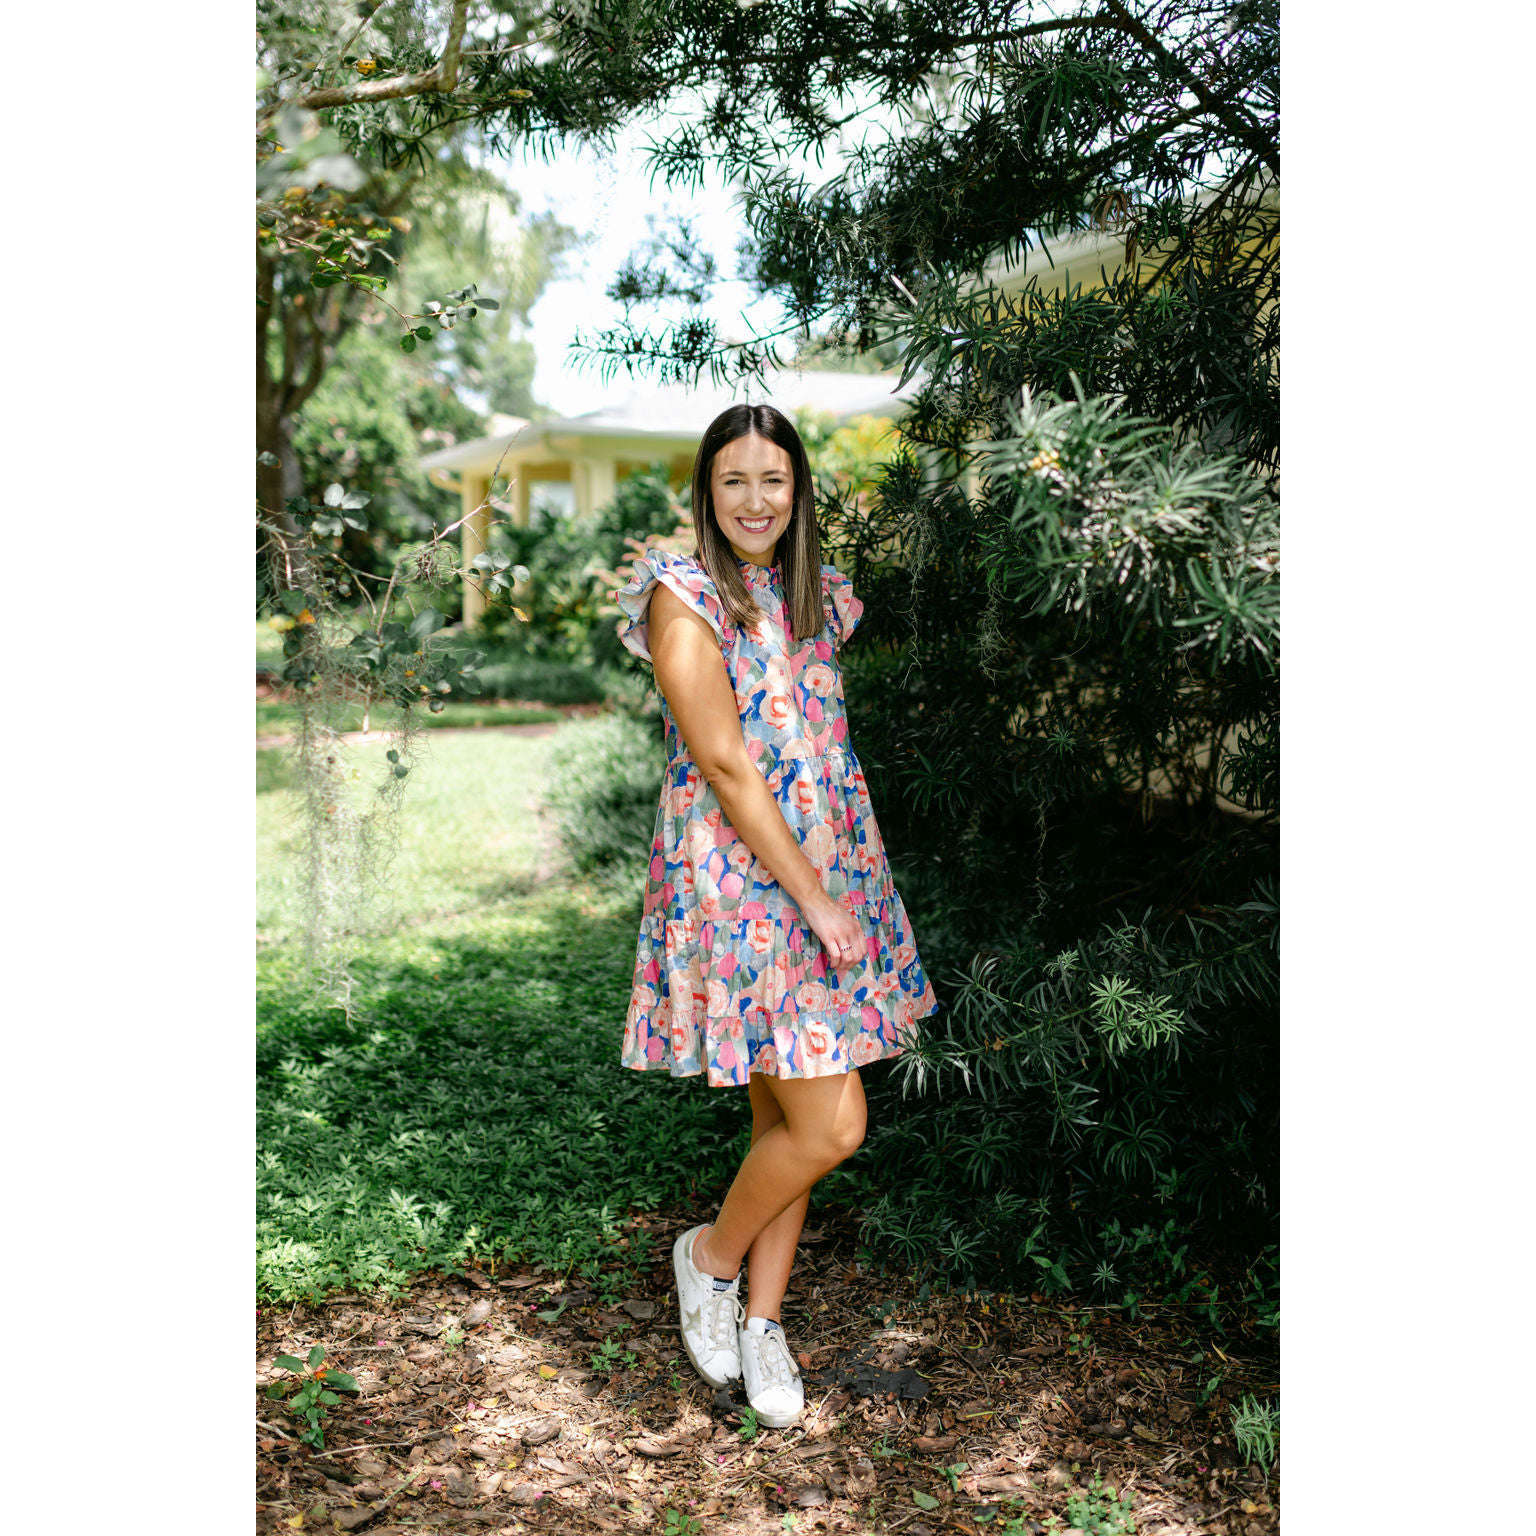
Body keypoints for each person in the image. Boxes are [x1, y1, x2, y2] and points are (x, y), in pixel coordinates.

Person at [610, 402, 938, 1428]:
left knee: (784, 1120)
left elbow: (818, 749)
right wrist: (814, 898)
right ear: (707, 491)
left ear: (799, 489)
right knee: (833, 1122)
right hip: (748, 887)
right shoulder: (683, 593)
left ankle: (761, 1323)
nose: (755, 500)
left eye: (774, 480)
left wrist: (839, 883)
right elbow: (723, 761)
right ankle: (708, 1260)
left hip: (828, 867)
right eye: (734, 480)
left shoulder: (812, 596)